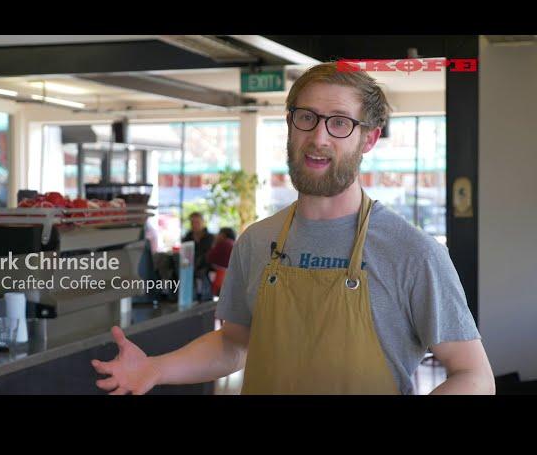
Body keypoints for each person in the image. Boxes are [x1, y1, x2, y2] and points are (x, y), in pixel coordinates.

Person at [91, 63, 495, 395]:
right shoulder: (256, 241)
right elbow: (234, 343)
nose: (318, 137)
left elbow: (474, 375)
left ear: (369, 139)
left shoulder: (412, 251)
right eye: (307, 118)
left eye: (340, 123)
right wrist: (157, 368)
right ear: (290, 124)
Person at [181, 212, 214, 302]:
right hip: (189, 265)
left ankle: (202, 295)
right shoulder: (187, 238)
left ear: (203, 223)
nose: (195, 225)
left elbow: (210, 254)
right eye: (192, 223)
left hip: (206, 265)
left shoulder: (210, 237)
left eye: (197, 222)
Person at [206, 228, 236, 297]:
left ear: (223, 235)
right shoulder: (233, 244)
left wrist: (214, 244)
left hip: (219, 278)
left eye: (219, 234)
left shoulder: (224, 244)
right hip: (228, 278)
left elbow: (209, 257)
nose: (217, 236)